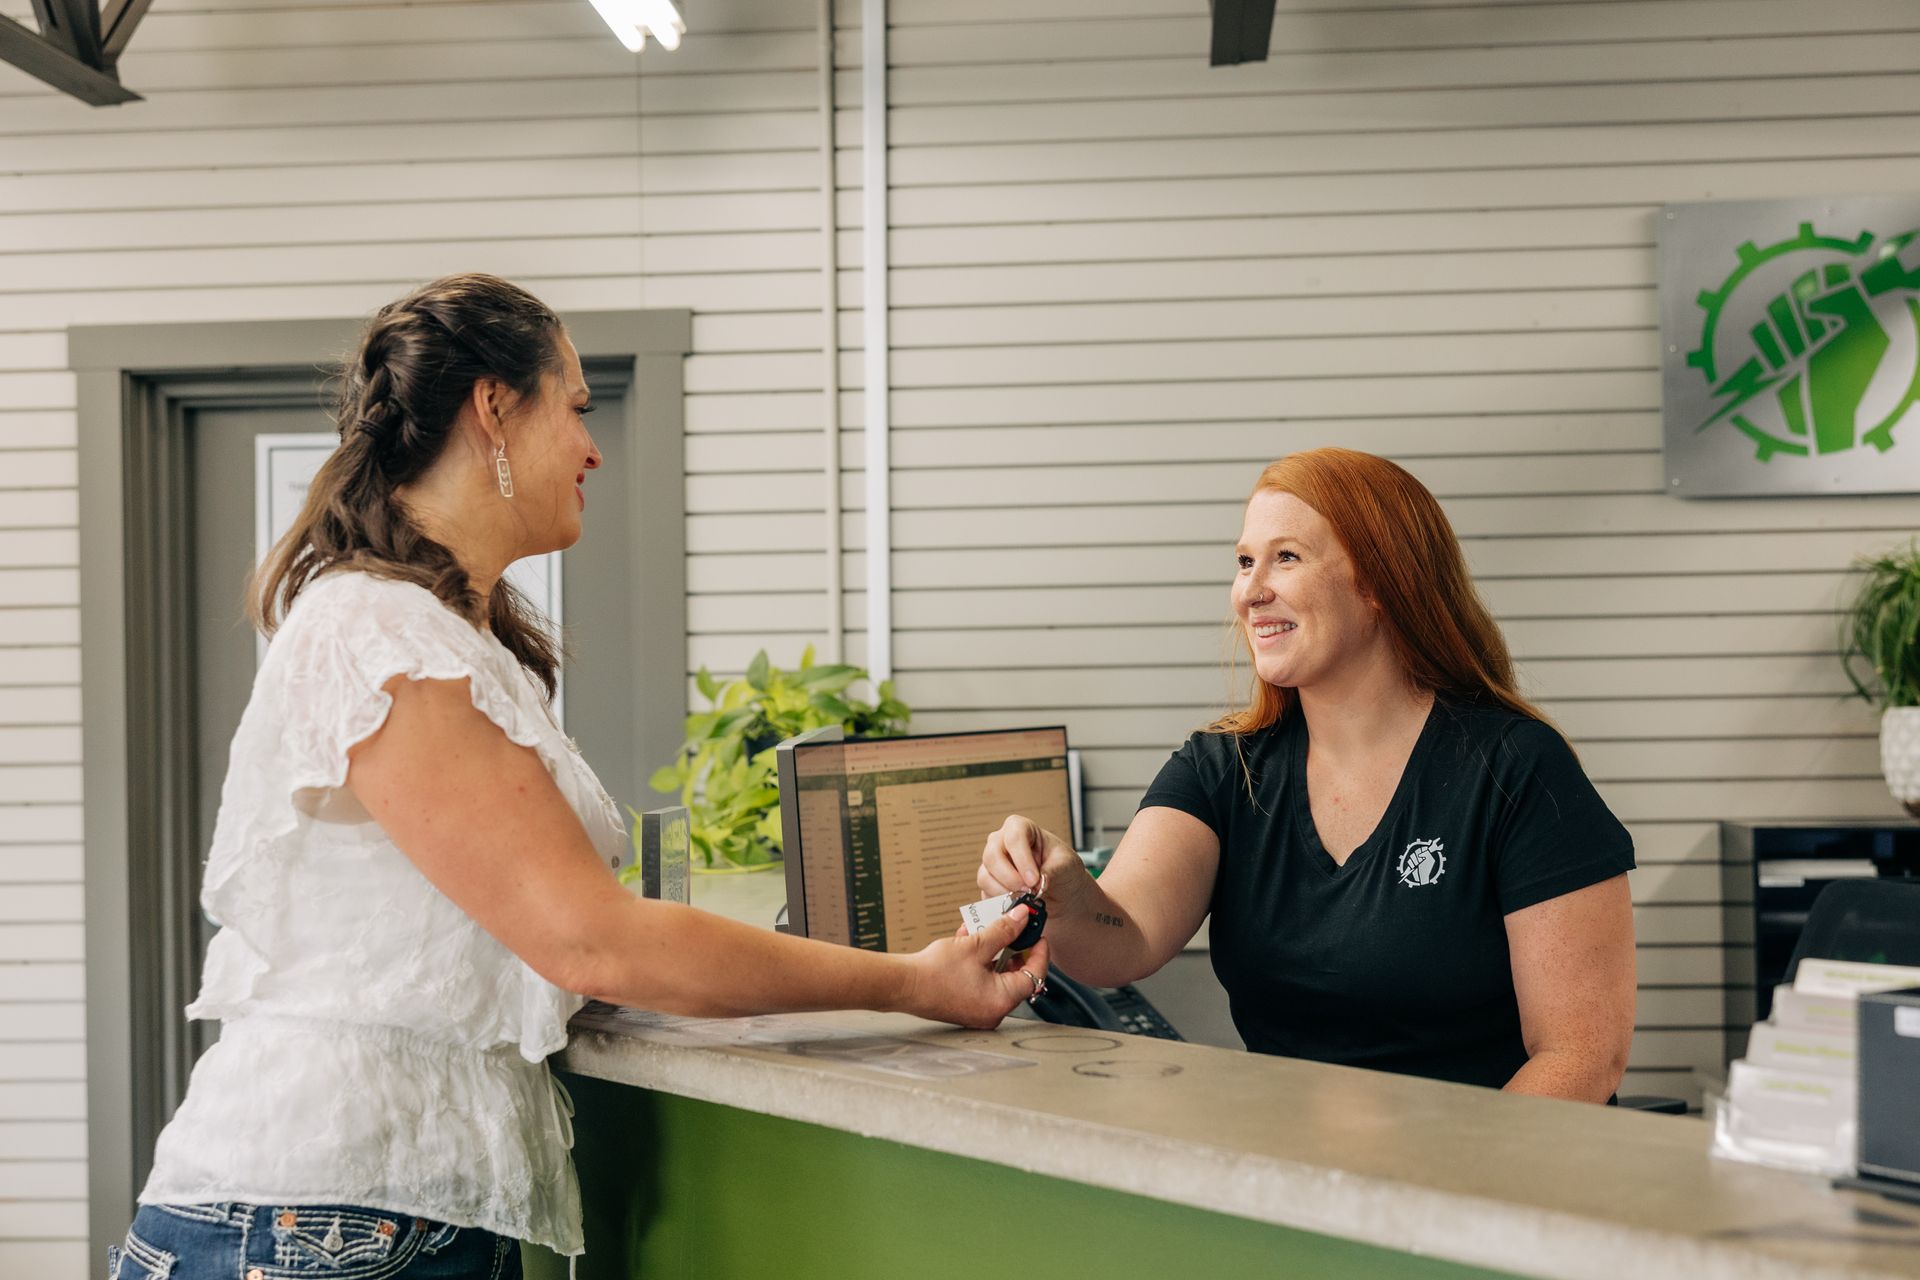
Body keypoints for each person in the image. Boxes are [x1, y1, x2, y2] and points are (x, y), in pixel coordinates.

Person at [115, 274, 1048, 1280]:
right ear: (493, 409)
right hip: (319, 1220)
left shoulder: (451, 640)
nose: (593, 447)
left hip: (374, 1220)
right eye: (576, 408)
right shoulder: (379, 633)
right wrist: (910, 982)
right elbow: (592, 939)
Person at [978, 448, 1636, 1101]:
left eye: (1285, 557)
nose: (1250, 591)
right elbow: (1120, 944)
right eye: (1243, 562)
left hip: (1472, 1181)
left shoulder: (1516, 770)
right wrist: (1062, 888)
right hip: (1291, 1174)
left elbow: (1581, 1056)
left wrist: (1432, 1195)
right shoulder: (1223, 768)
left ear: (1382, 581)